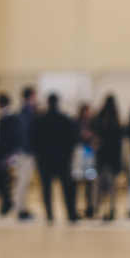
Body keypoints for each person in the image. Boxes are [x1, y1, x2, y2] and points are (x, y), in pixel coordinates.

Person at [32, 94, 80, 223]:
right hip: (62, 160)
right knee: (67, 188)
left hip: (45, 160)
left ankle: (49, 214)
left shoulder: (40, 120)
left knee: (46, 188)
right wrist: (68, 157)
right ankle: (71, 213)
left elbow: (35, 142)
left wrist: (39, 158)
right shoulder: (64, 119)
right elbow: (72, 140)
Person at [94, 95, 122, 221]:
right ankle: (111, 208)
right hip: (112, 159)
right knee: (111, 187)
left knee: (100, 186)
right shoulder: (116, 120)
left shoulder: (101, 118)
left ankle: (98, 208)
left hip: (102, 157)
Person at [13, 86, 37, 220]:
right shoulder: (27, 111)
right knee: (23, 180)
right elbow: (24, 132)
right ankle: (20, 209)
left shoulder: (26, 110)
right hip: (26, 151)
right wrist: (28, 149)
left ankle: (20, 207)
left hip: (24, 150)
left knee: (22, 181)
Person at [0, 93, 18, 216]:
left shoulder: (8, 117)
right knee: (1, 179)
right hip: (2, 152)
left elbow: (9, 137)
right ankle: (6, 202)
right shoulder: (4, 116)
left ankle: (6, 203)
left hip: (4, 153)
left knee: (0, 179)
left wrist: (8, 153)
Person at [75, 103, 98, 219]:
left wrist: (93, 139)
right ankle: (75, 208)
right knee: (77, 182)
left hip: (90, 155)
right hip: (79, 155)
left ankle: (90, 208)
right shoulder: (76, 124)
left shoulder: (93, 124)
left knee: (91, 182)